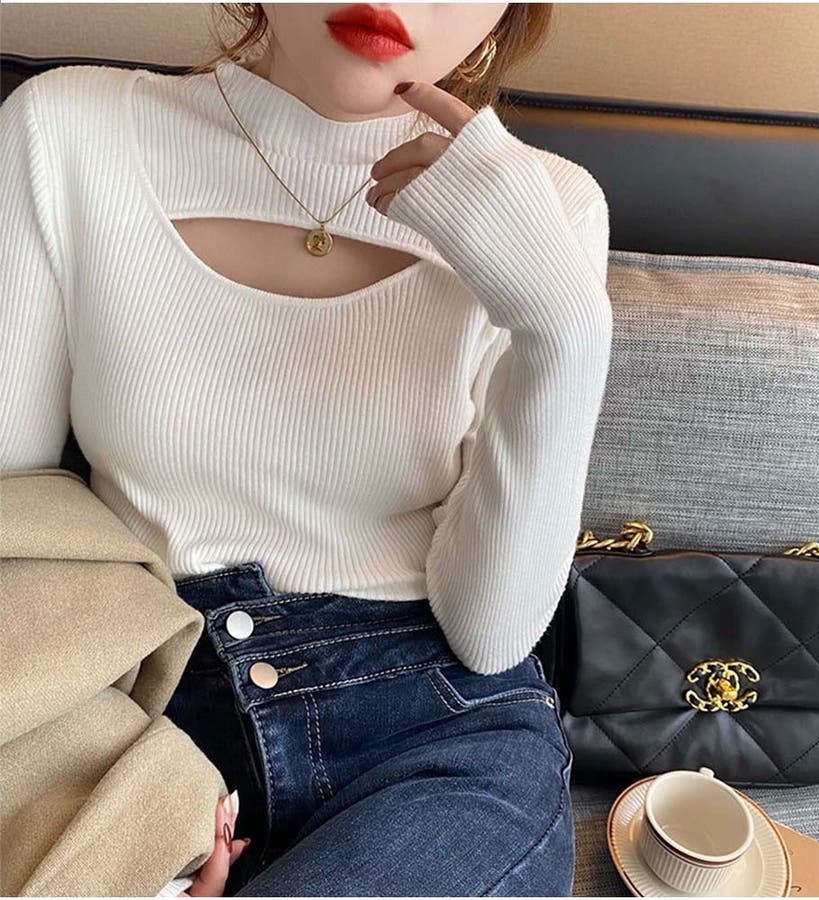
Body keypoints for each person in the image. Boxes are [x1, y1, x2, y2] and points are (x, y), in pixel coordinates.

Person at [0, 3, 614, 895]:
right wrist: (129, 834)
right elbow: (17, 530)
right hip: (142, 699)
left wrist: (562, 331)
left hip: (434, 735)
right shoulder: (66, 131)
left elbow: (488, 636)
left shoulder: (555, 206)